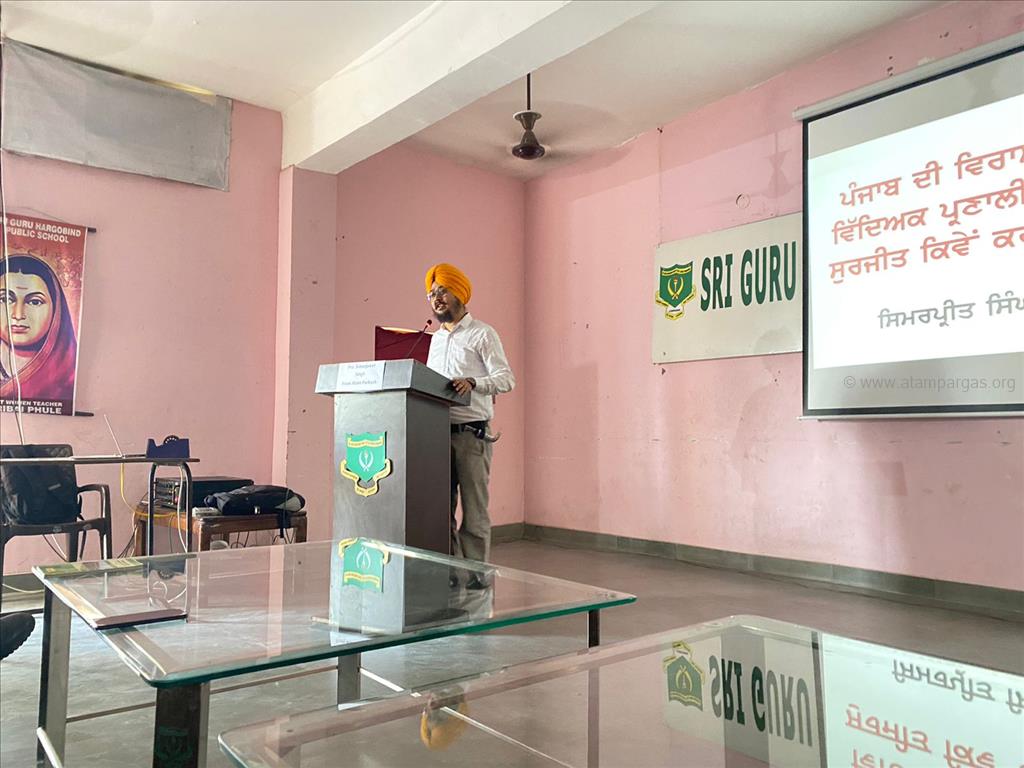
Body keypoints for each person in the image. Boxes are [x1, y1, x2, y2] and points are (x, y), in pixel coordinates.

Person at [424, 263, 514, 580]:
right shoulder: (434, 340)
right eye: (431, 294)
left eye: (443, 291)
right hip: (435, 433)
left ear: (460, 294)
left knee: (474, 512)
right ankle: (450, 575)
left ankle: (477, 578)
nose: (436, 299)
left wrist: (474, 383)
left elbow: (506, 379)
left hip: (471, 436)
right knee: (441, 511)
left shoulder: (482, 334)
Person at [0, 254, 78, 405]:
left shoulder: (69, 376)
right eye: (5, 299)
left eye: (35, 302)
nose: (18, 315)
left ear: (56, 309)